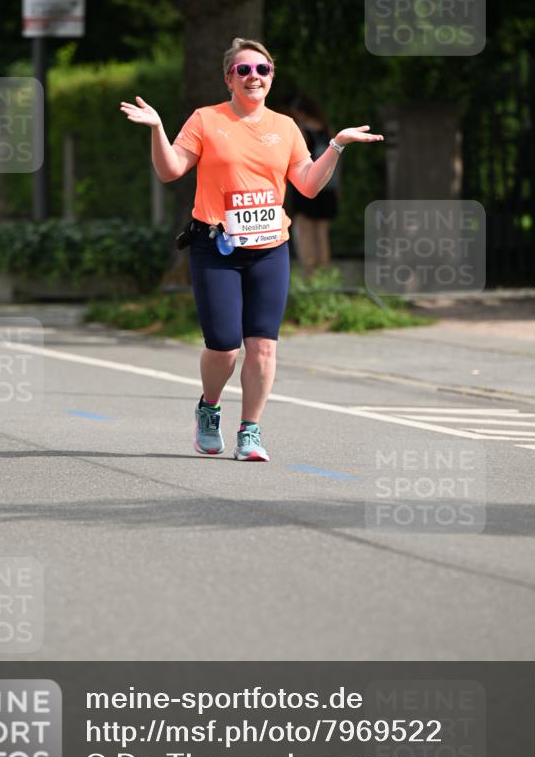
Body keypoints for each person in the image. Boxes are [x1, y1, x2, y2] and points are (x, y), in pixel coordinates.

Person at [120, 37, 383, 462]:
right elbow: (170, 171)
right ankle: (209, 408)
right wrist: (156, 129)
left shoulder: (285, 127)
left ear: (271, 77)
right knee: (224, 346)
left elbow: (309, 186)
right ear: (229, 78)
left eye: (262, 70)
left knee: (263, 345)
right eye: (243, 70)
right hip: (216, 247)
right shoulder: (206, 120)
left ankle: (250, 431)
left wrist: (335, 145)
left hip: (270, 249)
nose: (253, 77)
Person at [285, 94, 338, 275]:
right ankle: (325, 272)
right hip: (328, 185)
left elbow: (299, 159)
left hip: (307, 185)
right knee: (322, 231)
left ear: (300, 112)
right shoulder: (328, 130)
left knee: (303, 228)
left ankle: (309, 273)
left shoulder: (302, 131)